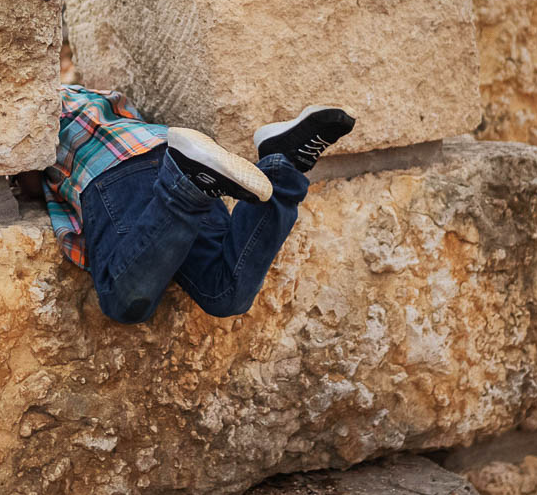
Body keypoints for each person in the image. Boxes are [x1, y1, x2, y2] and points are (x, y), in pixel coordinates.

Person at [22, 84, 355, 325]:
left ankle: (187, 186)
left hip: (115, 169)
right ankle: (284, 163)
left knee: (122, 299)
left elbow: (26, 169)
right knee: (224, 293)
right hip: (173, 154)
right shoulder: (99, 98)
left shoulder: (41, 103)